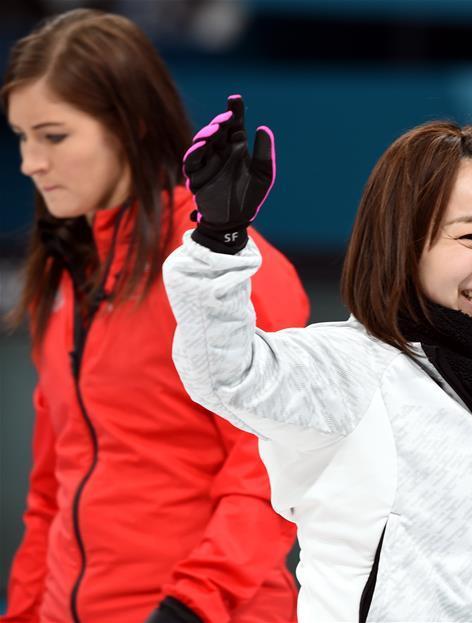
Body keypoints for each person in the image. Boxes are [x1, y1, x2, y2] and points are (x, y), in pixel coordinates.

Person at [162, 95, 472, 622]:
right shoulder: (348, 370)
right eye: (470, 237)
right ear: (403, 243)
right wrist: (219, 239)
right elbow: (225, 371)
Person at [2, 10, 309, 623]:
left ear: (131, 127)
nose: (29, 163)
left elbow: (274, 469)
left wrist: (189, 609)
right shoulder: (67, 274)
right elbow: (52, 488)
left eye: (54, 136)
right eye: (21, 137)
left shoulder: (226, 270)